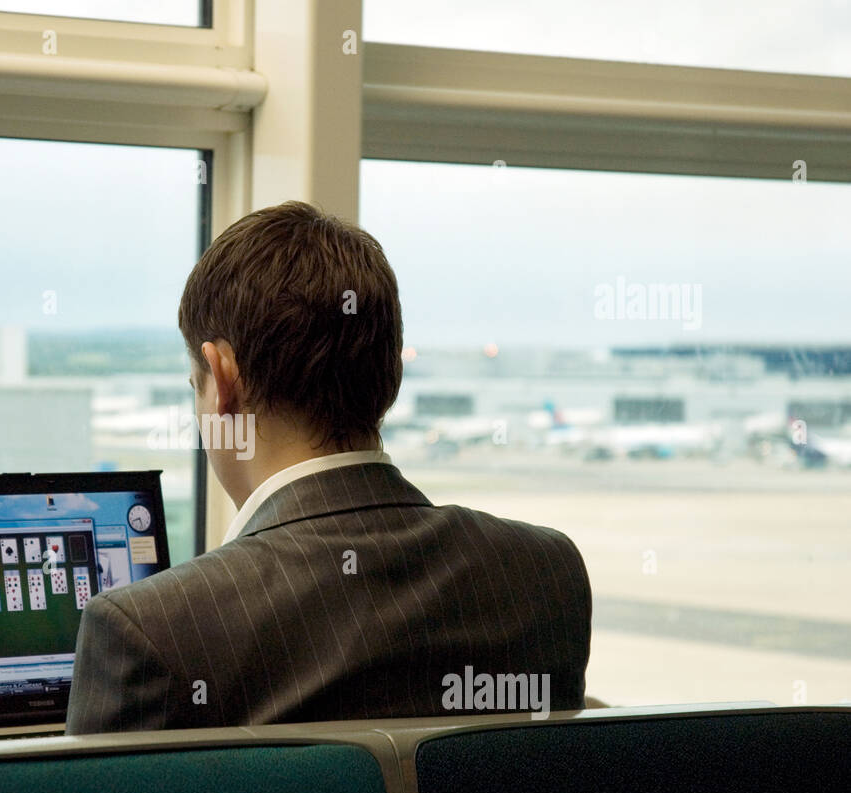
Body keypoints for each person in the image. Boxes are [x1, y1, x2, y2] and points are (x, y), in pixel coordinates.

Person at [65, 201, 591, 733]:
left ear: (223, 382)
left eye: (194, 386)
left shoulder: (151, 631)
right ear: (390, 372)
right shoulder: (547, 574)